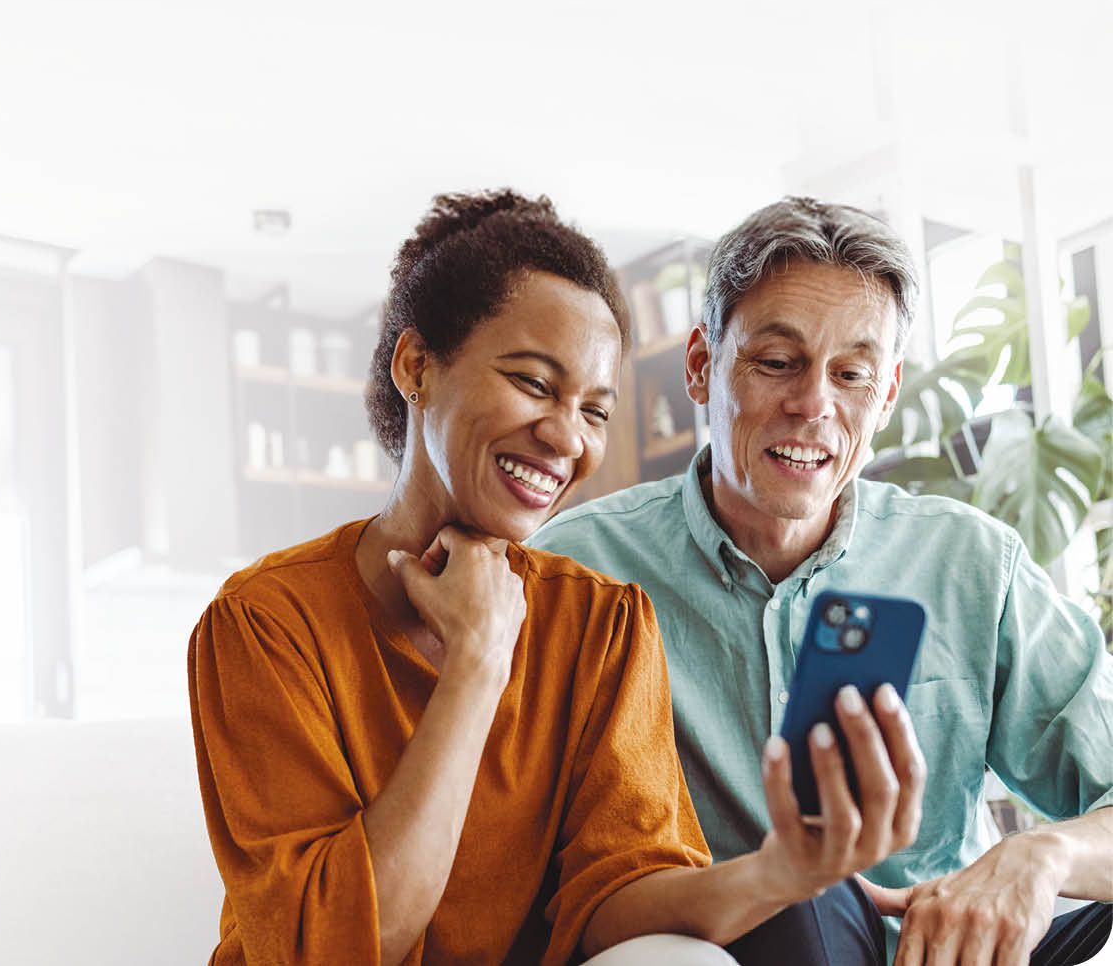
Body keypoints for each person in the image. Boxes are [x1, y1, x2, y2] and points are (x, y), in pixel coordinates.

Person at [188, 190, 926, 966]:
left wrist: (782, 873)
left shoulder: (603, 623)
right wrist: (476, 663)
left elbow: (619, 902)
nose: (564, 436)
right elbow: (331, 951)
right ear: (416, 365)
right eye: (535, 384)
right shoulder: (266, 621)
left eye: (596, 411)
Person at [532, 196, 1113, 966]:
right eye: (777, 362)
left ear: (889, 393)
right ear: (702, 365)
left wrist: (1041, 856)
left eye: (853, 375)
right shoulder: (579, 569)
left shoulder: (972, 562)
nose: (813, 406)